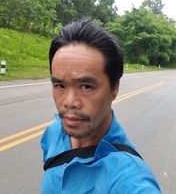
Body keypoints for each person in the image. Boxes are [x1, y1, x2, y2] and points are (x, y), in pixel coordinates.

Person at [41, 18, 162, 193]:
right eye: (59, 85)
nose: (69, 102)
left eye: (86, 86)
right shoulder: (54, 132)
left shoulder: (129, 181)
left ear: (114, 88)